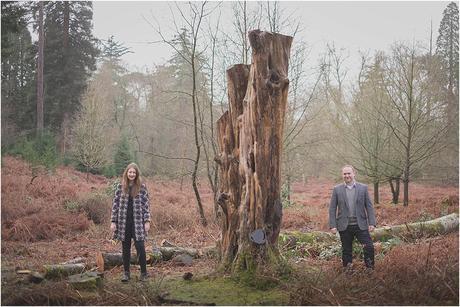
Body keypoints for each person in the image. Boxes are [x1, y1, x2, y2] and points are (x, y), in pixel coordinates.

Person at [329, 165, 376, 271]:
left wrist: (372, 223)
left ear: (354, 173)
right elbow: (332, 208)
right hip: (344, 226)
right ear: (342, 175)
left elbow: (369, 206)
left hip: (361, 225)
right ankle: (348, 271)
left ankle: (370, 269)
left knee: (368, 247)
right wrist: (332, 225)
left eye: (349, 173)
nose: (347, 175)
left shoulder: (363, 188)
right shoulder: (337, 189)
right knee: (346, 250)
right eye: (344, 174)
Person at [111, 162, 151, 282]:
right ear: (126, 173)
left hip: (138, 222)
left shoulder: (142, 187)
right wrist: (113, 221)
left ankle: (144, 273)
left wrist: (147, 220)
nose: (132, 174)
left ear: (136, 174)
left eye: (134, 172)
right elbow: (115, 205)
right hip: (123, 223)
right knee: (125, 248)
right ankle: (126, 273)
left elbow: (146, 205)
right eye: (130, 172)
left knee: (140, 246)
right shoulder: (120, 187)